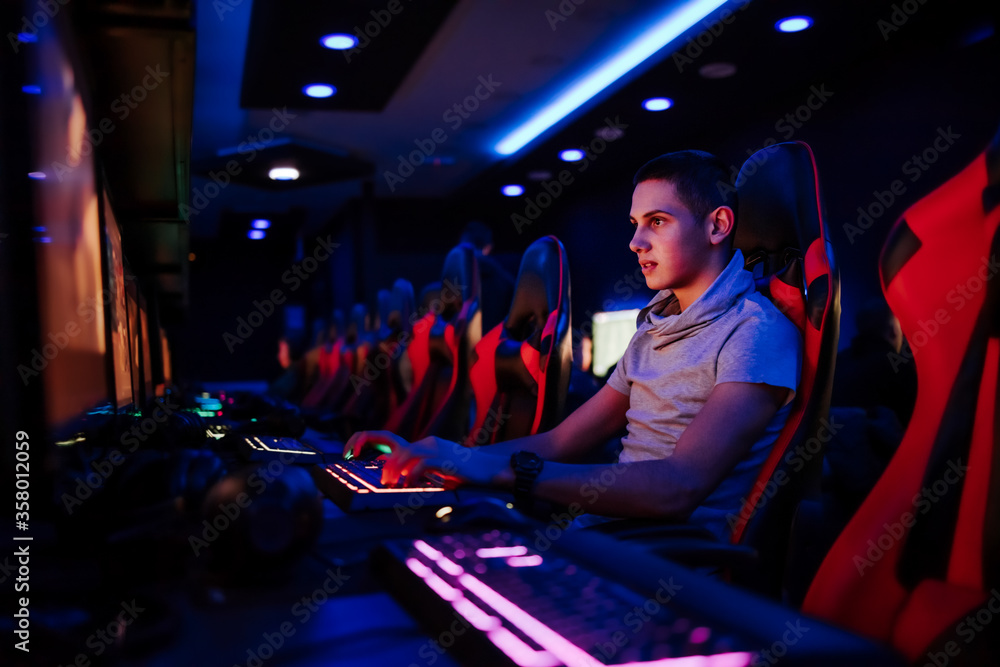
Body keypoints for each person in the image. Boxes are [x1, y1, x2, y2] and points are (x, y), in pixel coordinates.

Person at [346, 150, 802, 540]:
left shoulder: (756, 333)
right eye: (635, 223)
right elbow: (562, 440)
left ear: (718, 225)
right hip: (602, 535)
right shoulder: (653, 330)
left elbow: (678, 486)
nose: (635, 241)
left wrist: (509, 473)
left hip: (664, 560)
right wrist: (447, 454)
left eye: (657, 222)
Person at [460, 220, 515, 333]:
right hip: (495, 345)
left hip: (460, 346)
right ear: (488, 247)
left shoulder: (452, 279)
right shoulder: (507, 281)